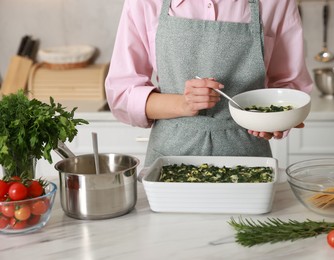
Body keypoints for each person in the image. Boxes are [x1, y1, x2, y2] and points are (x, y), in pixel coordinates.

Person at [105, 0, 313, 167]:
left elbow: (289, 86)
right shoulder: (145, 2)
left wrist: (276, 121)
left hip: (248, 159)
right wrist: (183, 104)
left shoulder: (276, 3)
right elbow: (122, 94)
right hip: (168, 161)